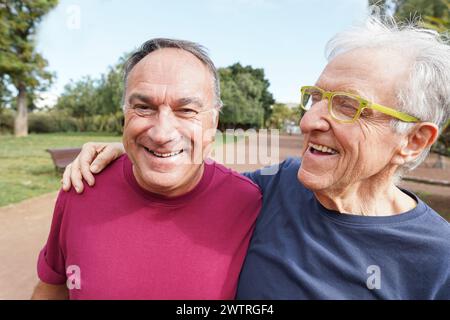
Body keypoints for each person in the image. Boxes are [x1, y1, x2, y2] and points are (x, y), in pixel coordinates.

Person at [62, 17, 450, 299]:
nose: (309, 120)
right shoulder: (276, 188)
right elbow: (188, 173)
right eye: (314, 98)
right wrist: (128, 152)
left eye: (347, 106)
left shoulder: (439, 260)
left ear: (414, 141)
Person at [31, 38, 262, 299]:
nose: (162, 134)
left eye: (186, 110)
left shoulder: (250, 203)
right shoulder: (81, 187)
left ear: (214, 120)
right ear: (125, 114)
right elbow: (51, 289)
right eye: (143, 108)